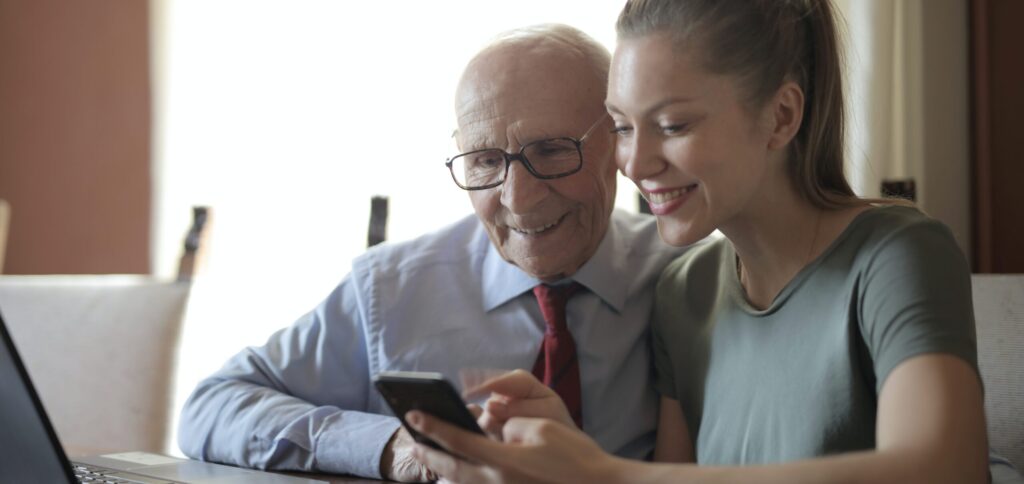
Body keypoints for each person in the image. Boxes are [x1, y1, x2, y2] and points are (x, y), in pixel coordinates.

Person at [407, 1, 1014, 483]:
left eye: (673, 126)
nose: (634, 163)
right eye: (621, 127)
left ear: (781, 116)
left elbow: (943, 469)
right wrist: (563, 458)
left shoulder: (897, 254)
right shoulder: (685, 289)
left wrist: (604, 474)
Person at [176, 24, 685, 481]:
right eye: (486, 161)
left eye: (551, 151)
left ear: (619, 142)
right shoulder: (391, 289)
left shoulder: (691, 283)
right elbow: (211, 407)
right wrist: (393, 446)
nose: (517, 197)